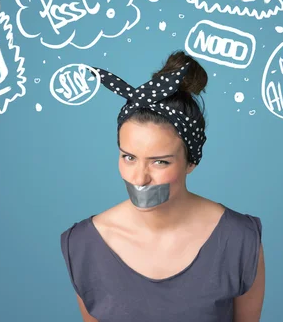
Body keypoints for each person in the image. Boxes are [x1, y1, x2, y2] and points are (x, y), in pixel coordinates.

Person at [60, 50, 265, 321]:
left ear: (190, 162)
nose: (139, 178)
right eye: (129, 157)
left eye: (160, 162)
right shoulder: (84, 244)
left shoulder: (239, 239)